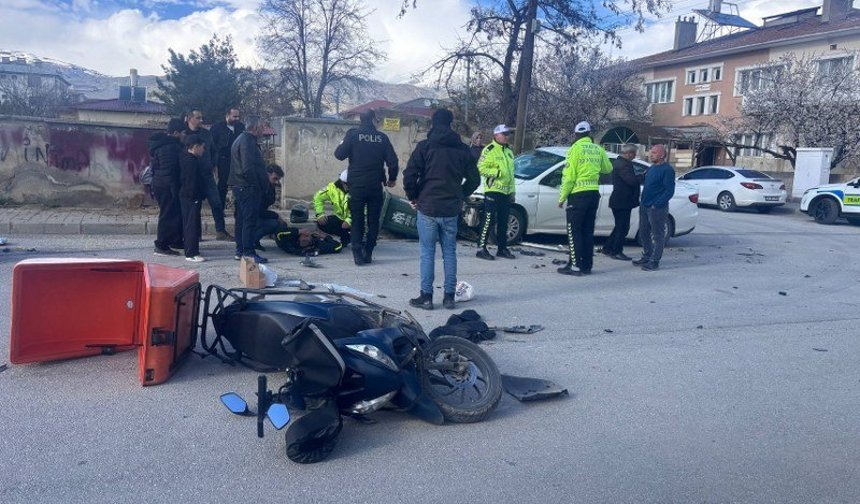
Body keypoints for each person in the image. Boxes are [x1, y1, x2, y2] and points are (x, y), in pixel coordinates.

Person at [403, 108, 480, 310]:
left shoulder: (425, 147)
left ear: (432, 123)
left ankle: (426, 297)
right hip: (450, 208)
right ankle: (448, 297)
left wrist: (414, 196)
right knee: (450, 252)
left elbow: (409, 175)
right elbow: (475, 179)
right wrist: (460, 194)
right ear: (451, 124)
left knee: (427, 252)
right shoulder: (462, 149)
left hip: (427, 206)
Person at [334, 109, 399, 265]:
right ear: (374, 120)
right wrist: (392, 179)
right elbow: (393, 161)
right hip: (375, 185)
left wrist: (344, 140)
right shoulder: (382, 138)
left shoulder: (353, 136)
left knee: (357, 220)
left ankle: (357, 253)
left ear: (360, 120)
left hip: (356, 185)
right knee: (373, 220)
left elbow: (339, 154)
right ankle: (368, 252)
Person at [557, 121, 612, 276]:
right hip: (593, 194)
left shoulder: (575, 149)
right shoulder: (598, 149)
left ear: (576, 134)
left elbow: (569, 176)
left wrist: (562, 197)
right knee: (588, 231)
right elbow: (608, 168)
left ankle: (574, 266)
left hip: (578, 194)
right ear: (589, 134)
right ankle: (586, 266)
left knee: (574, 231)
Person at [184, 109, 231, 241]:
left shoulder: (206, 134)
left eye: (201, 118)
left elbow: (214, 151)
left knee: (216, 203)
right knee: (195, 206)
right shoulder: (184, 135)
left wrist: (214, 164)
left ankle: (220, 231)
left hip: (207, 174)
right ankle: (196, 234)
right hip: (193, 176)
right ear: (190, 119)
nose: (201, 120)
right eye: (198, 118)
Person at [229, 115, 269, 264]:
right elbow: (248, 168)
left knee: (241, 220)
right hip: (247, 187)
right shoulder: (247, 141)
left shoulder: (241, 139)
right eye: (262, 127)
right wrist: (257, 185)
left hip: (240, 186)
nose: (263, 130)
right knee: (249, 221)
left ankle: (240, 250)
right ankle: (248, 252)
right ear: (255, 127)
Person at [476, 124, 517, 260]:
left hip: (506, 192)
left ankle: (502, 248)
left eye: (508, 134)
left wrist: (512, 192)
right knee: (488, 220)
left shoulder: (509, 151)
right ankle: (481, 248)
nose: (507, 136)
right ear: (496, 135)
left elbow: (511, 174)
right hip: (493, 190)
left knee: (503, 221)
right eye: (504, 134)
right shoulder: (489, 150)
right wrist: (496, 172)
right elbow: (481, 168)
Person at [634, 144, 675, 271]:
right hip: (644, 205)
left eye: (654, 153)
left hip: (656, 208)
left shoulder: (667, 170)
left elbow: (669, 191)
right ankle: (646, 256)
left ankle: (655, 261)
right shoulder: (651, 168)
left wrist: (656, 204)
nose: (651, 155)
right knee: (643, 233)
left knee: (657, 235)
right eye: (650, 152)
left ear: (662, 155)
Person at [149, 118, 185, 257]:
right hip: (166, 186)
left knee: (175, 214)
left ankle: (175, 241)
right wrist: (174, 190)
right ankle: (161, 245)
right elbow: (169, 171)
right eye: (182, 132)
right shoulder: (169, 147)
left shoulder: (170, 144)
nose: (184, 135)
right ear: (175, 132)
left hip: (164, 184)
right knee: (167, 214)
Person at [601, 144, 644, 261]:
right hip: (622, 201)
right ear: (629, 153)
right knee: (623, 228)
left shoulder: (621, 163)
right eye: (634, 154)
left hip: (621, 200)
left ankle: (608, 247)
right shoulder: (623, 165)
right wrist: (642, 176)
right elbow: (631, 181)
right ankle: (616, 251)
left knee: (620, 226)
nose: (635, 156)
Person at [178, 135, 207, 262]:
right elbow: (191, 182)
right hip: (191, 197)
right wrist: (195, 196)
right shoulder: (191, 162)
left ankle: (191, 250)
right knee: (192, 225)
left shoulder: (186, 158)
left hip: (187, 196)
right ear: (195, 147)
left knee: (190, 223)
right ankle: (191, 253)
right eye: (202, 147)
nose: (203, 150)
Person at [211, 107, 245, 214]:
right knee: (222, 186)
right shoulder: (217, 128)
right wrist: (214, 162)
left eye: (238, 116)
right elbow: (212, 145)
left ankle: (238, 211)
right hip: (223, 160)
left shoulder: (241, 127)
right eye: (234, 116)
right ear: (227, 115)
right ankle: (219, 210)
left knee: (239, 185)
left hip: (238, 160)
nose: (237, 118)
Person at [313, 169, 352, 246]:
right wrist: (320, 214)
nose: (349, 186)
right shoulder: (332, 188)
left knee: (360, 225)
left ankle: (360, 237)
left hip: (356, 219)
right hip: (340, 218)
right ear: (342, 182)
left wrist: (349, 220)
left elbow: (364, 209)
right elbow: (318, 197)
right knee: (322, 223)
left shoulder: (359, 190)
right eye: (347, 184)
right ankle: (346, 237)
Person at [255, 164, 286, 250]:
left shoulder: (269, 186)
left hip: (259, 215)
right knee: (274, 223)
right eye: (275, 178)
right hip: (252, 216)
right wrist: (277, 216)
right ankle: (252, 240)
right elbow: (259, 210)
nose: (277, 182)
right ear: (267, 174)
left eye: (278, 179)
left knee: (281, 224)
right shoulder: (259, 187)